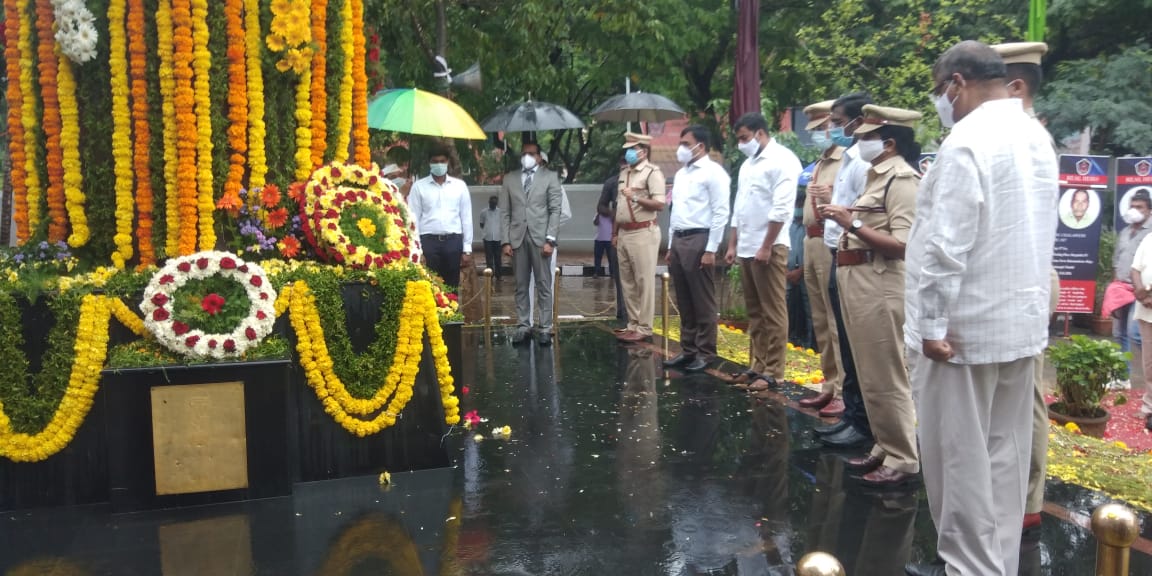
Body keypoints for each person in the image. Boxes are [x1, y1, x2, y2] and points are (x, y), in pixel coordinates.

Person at [904, 41, 1058, 576]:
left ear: (958, 82)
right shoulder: (1036, 135)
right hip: (1017, 326)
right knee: (1005, 458)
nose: (940, 101)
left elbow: (945, 246)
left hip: (960, 335)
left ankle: (968, 567)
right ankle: (995, 565)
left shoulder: (966, 140)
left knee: (958, 460)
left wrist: (929, 325)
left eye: (939, 89)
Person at [991, 40, 1079, 538]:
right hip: (1017, 279)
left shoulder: (1027, 137)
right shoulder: (1016, 135)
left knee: (1025, 398)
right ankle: (1014, 494)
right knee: (1012, 397)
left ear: (1016, 86)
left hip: (1025, 281)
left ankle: (1026, 499)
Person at [818, 104, 922, 489]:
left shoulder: (903, 180)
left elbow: (903, 243)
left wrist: (853, 222)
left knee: (886, 373)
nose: (858, 143)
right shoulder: (877, 178)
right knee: (867, 371)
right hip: (857, 279)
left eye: (866, 138)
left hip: (880, 282)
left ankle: (903, 457)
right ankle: (884, 443)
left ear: (889, 142)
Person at [814, 92, 876, 450]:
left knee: (857, 347)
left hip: (855, 258)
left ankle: (862, 422)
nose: (832, 128)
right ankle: (852, 416)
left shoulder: (864, 163)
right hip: (838, 254)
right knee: (848, 343)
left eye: (838, 121)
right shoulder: (849, 159)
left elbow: (862, 216)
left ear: (857, 122)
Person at [724, 113, 801, 387]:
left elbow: (781, 208)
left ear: (760, 133)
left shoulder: (783, 160)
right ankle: (756, 366)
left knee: (773, 311)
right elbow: (739, 207)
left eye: (744, 138)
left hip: (769, 246)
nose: (741, 143)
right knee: (755, 313)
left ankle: (773, 372)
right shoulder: (748, 164)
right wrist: (733, 244)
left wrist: (767, 245)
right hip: (746, 246)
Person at [663, 125, 731, 373]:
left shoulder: (714, 173)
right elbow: (676, 212)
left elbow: (720, 212)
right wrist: (671, 245)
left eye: (685, 143)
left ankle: (706, 352)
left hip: (700, 238)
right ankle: (688, 349)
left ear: (700, 146)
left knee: (702, 298)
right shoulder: (681, 174)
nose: (680, 148)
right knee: (684, 299)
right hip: (680, 239)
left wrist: (711, 248)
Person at [798, 100, 847, 417]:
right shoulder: (820, 161)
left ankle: (843, 389)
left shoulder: (846, 160)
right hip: (811, 239)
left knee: (834, 319)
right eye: (814, 128)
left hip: (832, 241)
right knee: (819, 319)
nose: (819, 133)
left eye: (822, 127)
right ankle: (829, 383)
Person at [499, 142, 563, 346]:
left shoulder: (550, 177)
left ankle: (545, 327)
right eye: (524, 153)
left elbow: (555, 210)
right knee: (520, 285)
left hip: (541, 238)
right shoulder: (510, 179)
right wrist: (505, 241)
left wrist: (550, 240)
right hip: (517, 238)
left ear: (539, 157)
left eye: (531, 154)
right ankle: (523, 325)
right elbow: (505, 212)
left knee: (544, 284)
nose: (526, 157)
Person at [613, 133, 667, 343]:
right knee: (627, 281)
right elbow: (619, 205)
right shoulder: (624, 173)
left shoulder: (653, 173)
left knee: (643, 280)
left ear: (643, 151)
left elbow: (660, 204)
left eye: (632, 149)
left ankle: (644, 327)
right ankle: (633, 324)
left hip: (643, 232)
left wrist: (635, 196)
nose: (629, 153)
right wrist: (615, 233)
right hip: (625, 233)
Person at [408, 146, 473, 290]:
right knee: (430, 287)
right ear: (429, 163)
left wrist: (467, 249)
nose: (439, 164)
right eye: (435, 161)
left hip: (453, 242)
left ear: (448, 162)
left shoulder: (459, 186)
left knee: (451, 287)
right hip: (429, 243)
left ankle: (452, 313)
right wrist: (416, 249)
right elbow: (413, 219)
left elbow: (466, 217)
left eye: (442, 161)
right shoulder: (419, 187)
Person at [527, 151, 571, 325]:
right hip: (524, 241)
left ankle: (546, 323)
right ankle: (527, 323)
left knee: (546, 283)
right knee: (524, 283)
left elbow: (565, 213)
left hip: (546, 241)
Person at [597, 162, 629, 323]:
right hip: (617, 232)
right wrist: (614, 213)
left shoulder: (644, 180)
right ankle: (622, 312)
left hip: (640, 232)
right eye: (623, 164)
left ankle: (639, 317)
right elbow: (600, 206)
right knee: (619, 274)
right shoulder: (612, 183)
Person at [1130, 236, 1152, 432]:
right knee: (1149, 363)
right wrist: (1142, 292)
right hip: (1147, 311)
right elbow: (1135, 269)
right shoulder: (1149, 239)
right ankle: (1148, 406)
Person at [786, 190, 813, 348]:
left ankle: (810, 345)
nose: (798, 208)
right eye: (796, 204)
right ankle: (786, 341)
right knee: (783, 307)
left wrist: (801, 271)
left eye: (801, 205)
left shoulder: (810, 226)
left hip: (805, 272)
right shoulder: (786, 224)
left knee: (810, 310)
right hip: (786, 273)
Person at [479, 196, 504, 279]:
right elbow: (481, 224)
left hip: (498, 238)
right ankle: (490, 276)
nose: (493, 204)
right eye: (492, 202)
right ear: (489, 202)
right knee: (489, 258)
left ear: (496, 203)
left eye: (495, 203)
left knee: (498, 258)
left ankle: (499, 276)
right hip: (487, 238)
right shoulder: (483, 212)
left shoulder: (500, 212)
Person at [594, 211, 614, 277]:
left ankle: (612, 273)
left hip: (610, 239)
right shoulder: (598, 213)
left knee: (611, 258)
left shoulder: (612, 214)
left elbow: (614, 221)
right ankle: (597, 272)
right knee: (597, 257)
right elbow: (595, 223)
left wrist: (610, 213)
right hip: (599, 239)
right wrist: (598, 214)